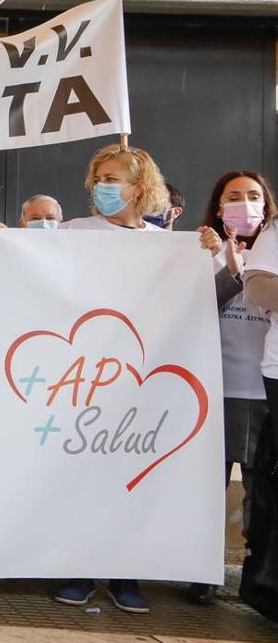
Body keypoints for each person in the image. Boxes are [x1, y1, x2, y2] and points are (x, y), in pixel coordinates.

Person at [55, 143, 172, 612]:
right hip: (81, 376)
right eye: (98, 179)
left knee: (134, 478)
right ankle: (79, 571)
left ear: (140, 186)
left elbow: (203, 299)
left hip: (141, 377)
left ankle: (127, 576)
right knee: (82, 475)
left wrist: (214, 257)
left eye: (111, 179)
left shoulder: (166, 246)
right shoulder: (74, 231)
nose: (101, 187)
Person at [183, 172, 276, 605]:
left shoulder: (274, 247)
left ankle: (257, 578)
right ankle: (203, 572)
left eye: (253, 196)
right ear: (219, 208)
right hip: (215, 388)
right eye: (234, 197)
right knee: (208, 486)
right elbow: (192, 307)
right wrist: (231, 271)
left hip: (265, 390)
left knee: (262, 491)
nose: (245, 204)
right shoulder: (203, 250)